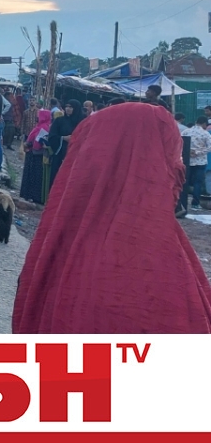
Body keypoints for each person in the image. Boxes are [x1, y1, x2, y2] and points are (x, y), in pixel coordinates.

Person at [11, 103, 211, 333]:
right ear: (150, 166)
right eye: (174, 158)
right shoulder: (164, 275)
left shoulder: (50, 252)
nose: (180, 170)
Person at [46, 100, 85, 193]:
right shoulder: (59, 121)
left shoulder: (82, 122)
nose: (68, 109)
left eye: (71, 107)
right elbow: (51, 136)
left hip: (75, 155)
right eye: (67, 106)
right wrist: (63, 138)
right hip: (60, 154)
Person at [19, 109, 52, 204]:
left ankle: (33, 195)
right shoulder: (41, 126)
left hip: (36, 154)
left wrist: (28, 144)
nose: (37, 117)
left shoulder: (44, 127)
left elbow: (37, 143)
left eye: (39, 116)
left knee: (35, 176)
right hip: (34, 153)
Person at [182, 116, 211, 211]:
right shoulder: (205, 134)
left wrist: (188, 152)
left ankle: (182, 203)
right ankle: (195, 204)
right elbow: (210, 147)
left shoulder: (186, 131)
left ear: (196, 122)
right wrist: (198, 152)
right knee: (197, 183)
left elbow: (180, 143)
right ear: (204, 124)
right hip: (200, 162)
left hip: (187, 161)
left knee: (184, 181)